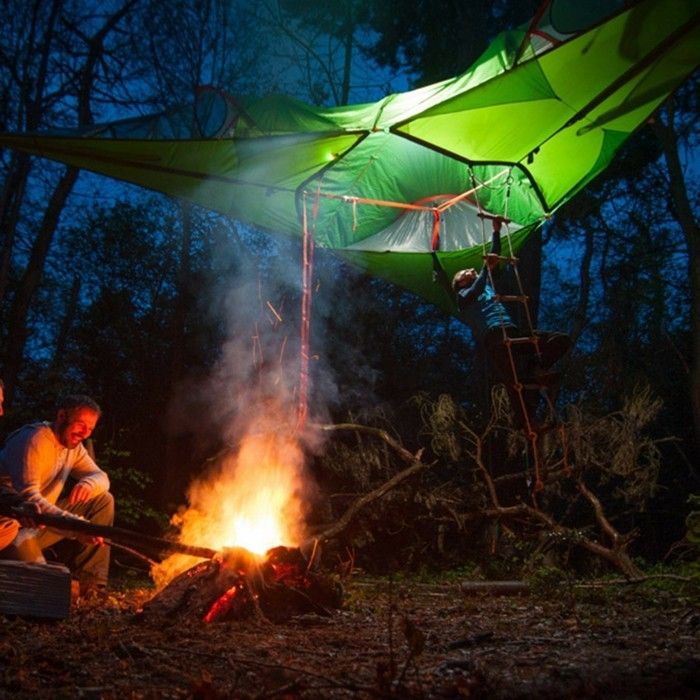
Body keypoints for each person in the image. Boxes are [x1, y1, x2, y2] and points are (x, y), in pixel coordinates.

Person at [452, 222, 571, 428]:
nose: (470, 270)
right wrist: (484, 269)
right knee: (515, 382)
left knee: (560, 340)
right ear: (460, 282)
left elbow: (494, 255)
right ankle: (525, 422)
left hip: (512, 332)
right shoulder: (463, 297)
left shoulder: (486, 286)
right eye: (465, 273)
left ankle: (537, 368)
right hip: (495, 338)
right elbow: (477, 287)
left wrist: (496, 231)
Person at [0, 394, 113, 591]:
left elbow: (101, 477)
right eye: (80, 424)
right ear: (62, 416)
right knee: (43, 588)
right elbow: (29, 499)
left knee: (103, 500)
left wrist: (89, 483)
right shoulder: (34, 439)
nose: (85, 433)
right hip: (11, 527)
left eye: (91, 428)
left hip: (40, 524)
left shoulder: (73, 447)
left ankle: (91, 583)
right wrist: (77, 528)